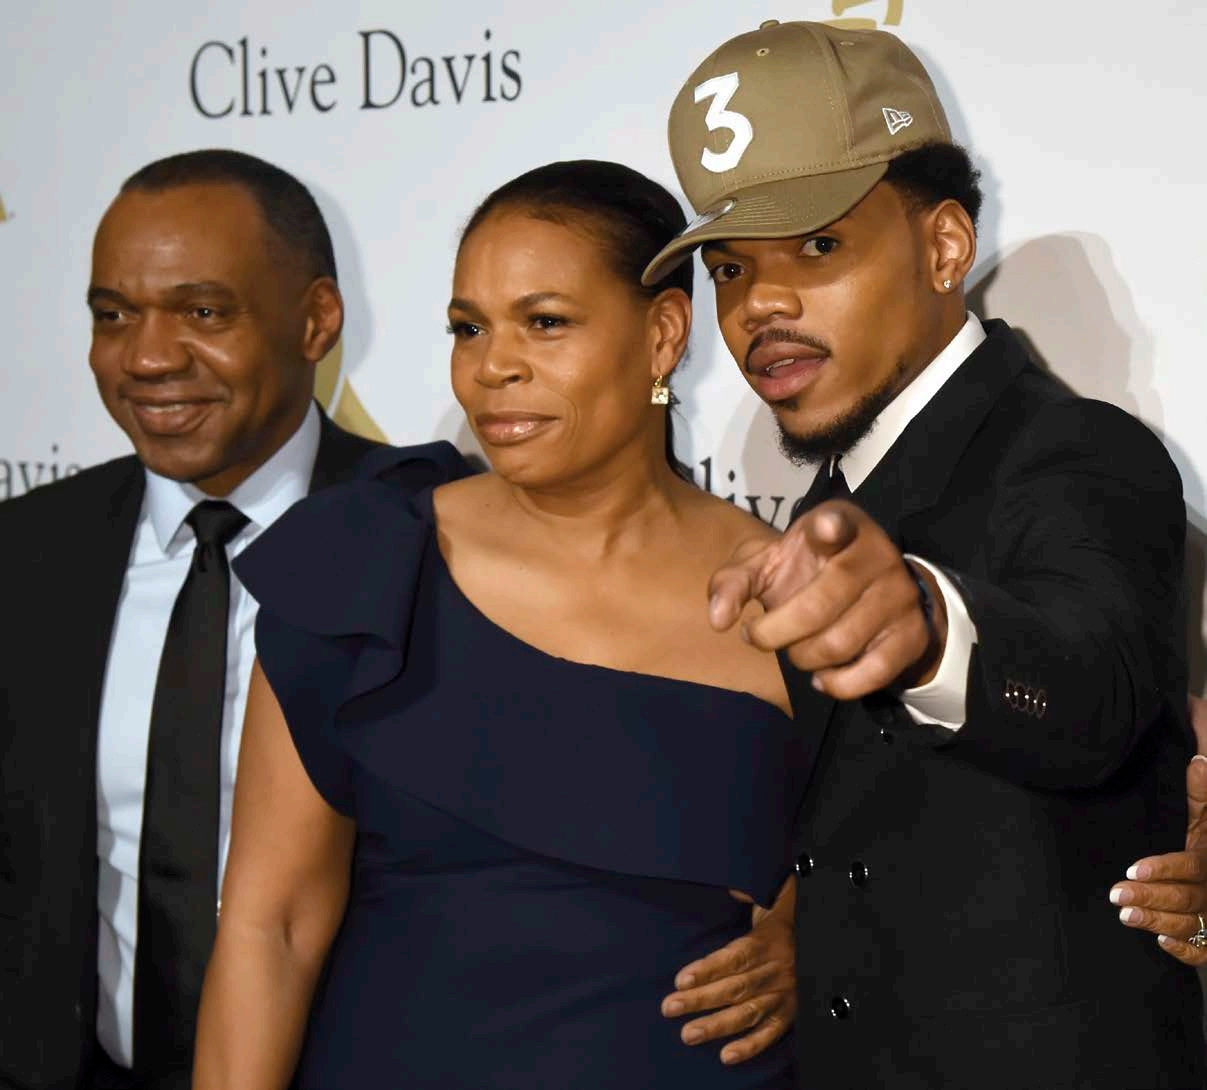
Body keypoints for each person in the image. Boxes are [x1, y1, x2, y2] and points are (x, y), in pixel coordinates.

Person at [640, 19, 1207, 1088]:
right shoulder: (824, 507)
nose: (758, 303)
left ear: (945, 247)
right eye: (727, 267)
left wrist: (929, 632)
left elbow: (1090, 680)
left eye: (817, 246)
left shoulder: (1079, 451)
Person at [192, 160, 805, 1089]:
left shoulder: (792, 599)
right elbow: (269, 926)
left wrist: (813, 938)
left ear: (662, 335)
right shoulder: (366, 559)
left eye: (545, 322)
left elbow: (871, 886)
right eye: (467, 327)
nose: (492, 365)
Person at [0, 149, 382, 1090]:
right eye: (112, 315)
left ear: (316, 320)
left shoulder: (437, 536)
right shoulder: (25, 553)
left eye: (204, 312)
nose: (148, 357)